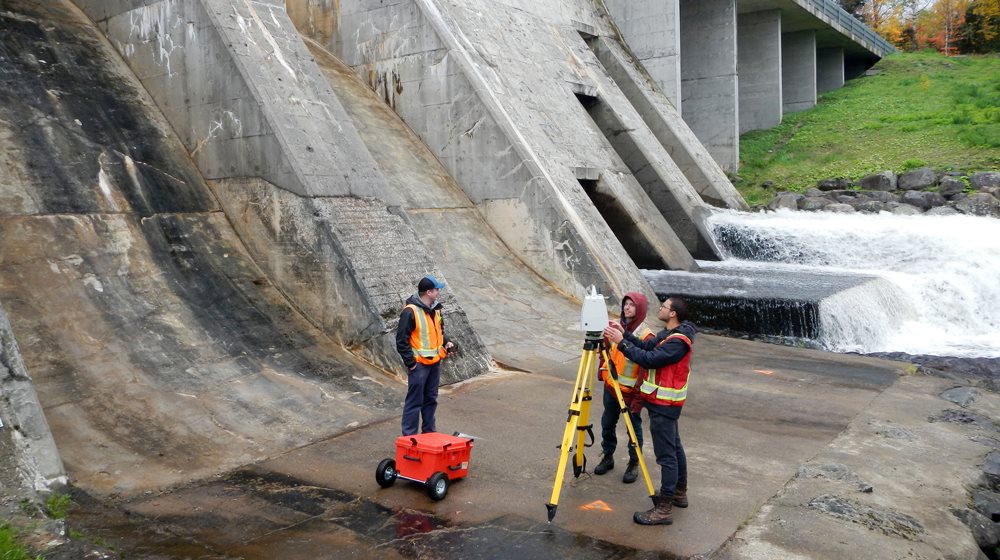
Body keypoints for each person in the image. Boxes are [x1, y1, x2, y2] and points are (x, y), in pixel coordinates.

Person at [603, 296, 694, 526]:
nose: (660, 308)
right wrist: (623, 335)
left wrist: (621, 343)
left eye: (664, 306)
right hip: (662, 404)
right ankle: (679, 493)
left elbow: (649, 359)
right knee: (675, 447)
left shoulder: (678, 342)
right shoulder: (669, 334)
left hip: (664, 405)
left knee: (667, 456)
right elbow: (646, 346)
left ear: (673, 313)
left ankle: (663, 509)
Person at [593, 292, 655, 484]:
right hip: (612, 388)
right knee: (607, 423)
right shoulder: (614, 327)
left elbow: (645, 369)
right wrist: (603, 371)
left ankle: (634, 462)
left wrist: (638, 396)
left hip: (631, 393)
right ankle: (608, 456)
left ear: (640, 309)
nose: (626, 308)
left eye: (632, 305)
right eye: (625, 304)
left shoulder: (646, 335)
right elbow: (605, 351)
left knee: (633, 429)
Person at [396, 275, 454, 436]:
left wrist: (446, 342)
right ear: (429, 292)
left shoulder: (436, 309)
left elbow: (438, 331)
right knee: (415, 402)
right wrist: (411, 363)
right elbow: (401, 340)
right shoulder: (410, 312)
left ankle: (429, 433)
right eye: (437, 289)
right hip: (419, 365)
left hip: (434, 363)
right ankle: (410, 438)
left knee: (431, 399)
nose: (439, 292)